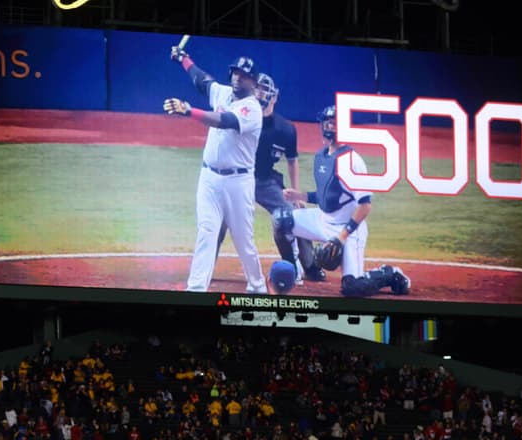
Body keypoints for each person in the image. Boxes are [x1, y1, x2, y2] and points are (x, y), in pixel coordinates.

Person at [279, 105, 411, 299]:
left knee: (352, 288)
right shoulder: (321, 156)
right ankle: (298, 268)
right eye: (328, 123)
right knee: (281, 220)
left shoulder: (352, 161)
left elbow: (365, 205)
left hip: (349, 231)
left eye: (335, 123)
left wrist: (341, 237)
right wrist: (300, 196)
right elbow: (327, 197)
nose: (331, 127)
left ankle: (390, 274)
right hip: (321, 220)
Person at [164, 49, 266, 294]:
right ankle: (196, 289)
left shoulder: (252, 108)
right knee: (207, 232)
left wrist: (189, 111)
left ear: (253, 82)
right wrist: (183, 59)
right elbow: (202, 80)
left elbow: (224, 121)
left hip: (238, 182)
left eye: (244, 75)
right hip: (209, 178)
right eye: (235, 72)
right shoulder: (223, 92)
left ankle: (258, 285)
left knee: (244, 241)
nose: (237, 78)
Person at [217, 73, 317, 288]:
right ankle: (205, 265)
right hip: (237, 179)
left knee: (292, 214)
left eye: (264, 90)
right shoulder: (244, 117)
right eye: (257, 89)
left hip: (264, 181)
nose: (260, 94)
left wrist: (297, 193)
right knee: (218, 220)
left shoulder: (286, 130)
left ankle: (308, 265)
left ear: (274, 97)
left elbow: (292, 161)